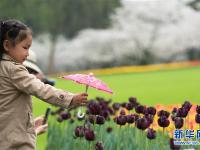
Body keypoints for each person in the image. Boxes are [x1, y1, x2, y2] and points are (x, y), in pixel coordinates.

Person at [0, 19, 88, 150]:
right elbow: (40, 88)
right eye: (25, 47)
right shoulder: (14, 69)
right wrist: (70, 99)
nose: (28, 53)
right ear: (7, 46)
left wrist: (30, 126)